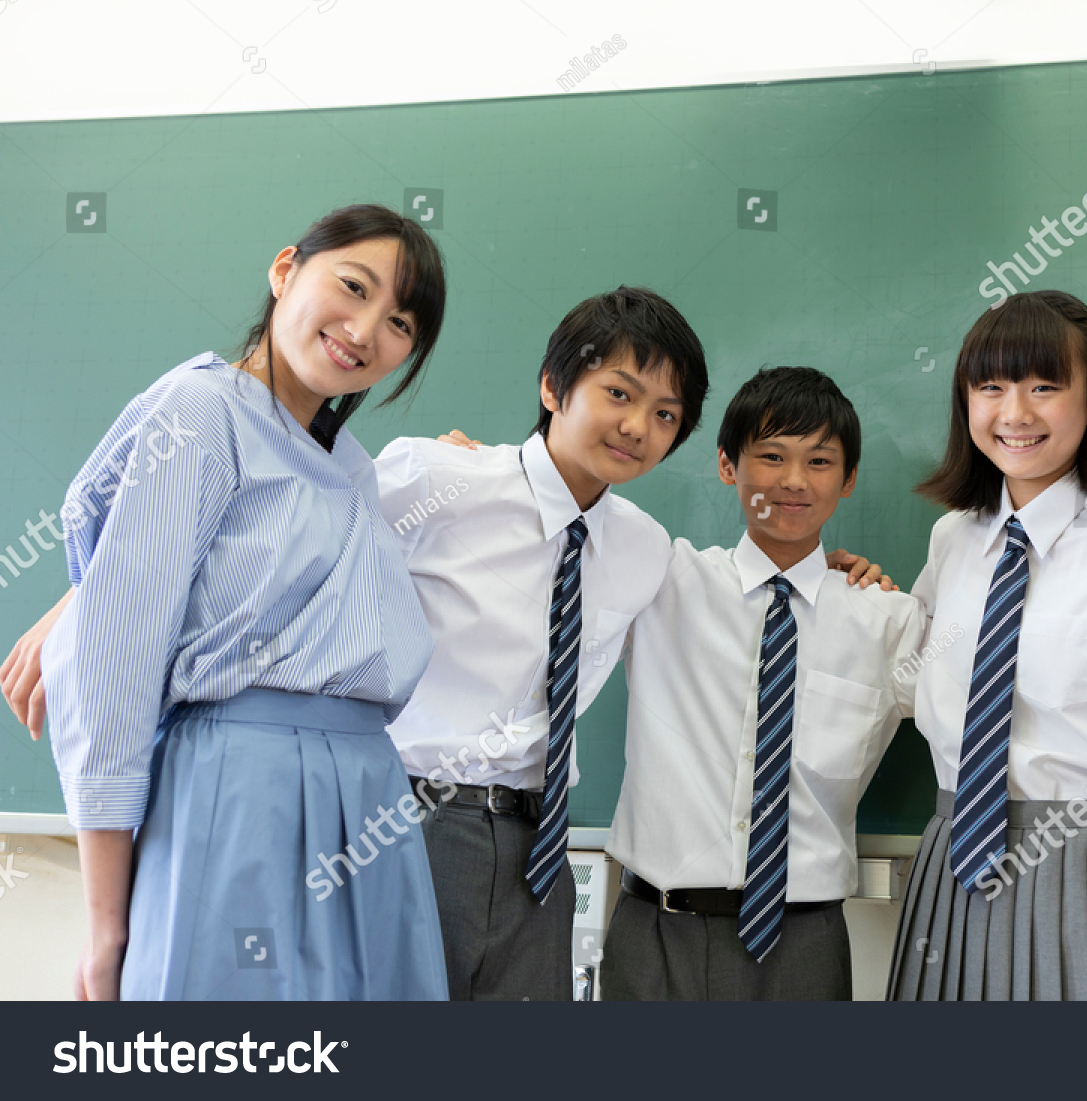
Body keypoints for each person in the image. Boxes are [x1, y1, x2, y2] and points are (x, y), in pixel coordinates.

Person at [386, 295, 886, 1000]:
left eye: (665, 414)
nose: (637, 426)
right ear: (553, 386)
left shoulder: (645, 550)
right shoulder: (437, 481)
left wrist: (832, 572)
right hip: (412, 817)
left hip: (540, 845)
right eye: (619, 393)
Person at [10, 204, 450, 999]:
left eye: (400, 324)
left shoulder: (352, 466)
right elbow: (119, 669)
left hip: (369, 806)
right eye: (352, 286)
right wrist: (107, 924)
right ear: (286, 270)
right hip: (240, 792)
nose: (365, 328)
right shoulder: (201, 411)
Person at [889, 290, 1087, 1001]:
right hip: (949, 863)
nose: (1015, 413)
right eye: (991, 387)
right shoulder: (953, 542)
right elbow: (914, 685)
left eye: (1044, 387)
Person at [600, 367, 923, 1000]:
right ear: (728, 466)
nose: (794, 481)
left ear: (849, 479)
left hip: (802, 944)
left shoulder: (889, 620)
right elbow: (561, 522)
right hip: (655, 935)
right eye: (771, 456)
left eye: (820, 461)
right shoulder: (663, 580)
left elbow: (982, 719)